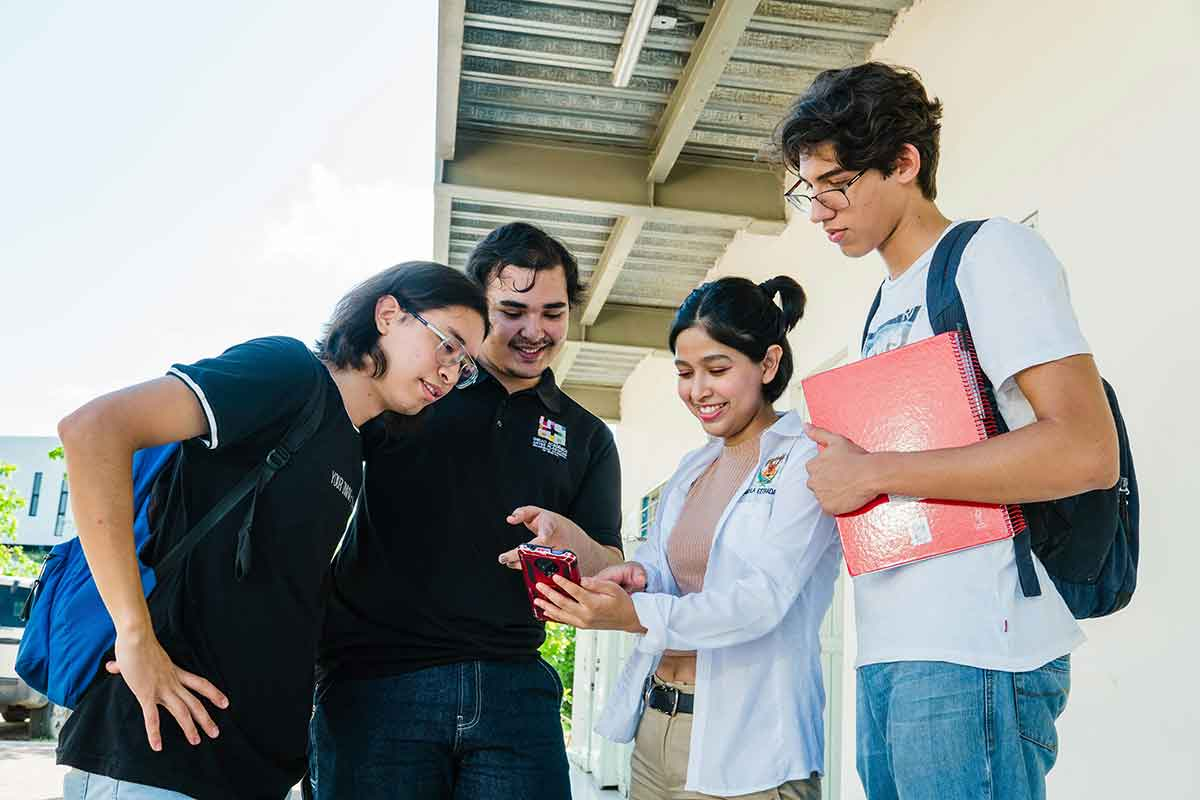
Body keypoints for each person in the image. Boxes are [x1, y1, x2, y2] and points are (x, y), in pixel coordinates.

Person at [774, 63, 1119, 800]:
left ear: (905, 163)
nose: (819, 211)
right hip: (892, 642)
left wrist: (874, 472)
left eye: (836, 183)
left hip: (978, 644)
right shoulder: (880, 304)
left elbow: (1086, 450)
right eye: (808, 189)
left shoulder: (991, 253)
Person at [54, 262, 488, 800]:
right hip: (159, 754)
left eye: (465, 365)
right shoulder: (289, 372)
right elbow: (94, 429)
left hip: (248, 767)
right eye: (448, 344)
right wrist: (135, 636)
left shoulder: (351, 450)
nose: (451, 371)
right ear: (388, 313)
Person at [312, 222, 624, 800]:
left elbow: (609, 565)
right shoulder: (411, 388)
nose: (535, 331)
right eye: (512, 310)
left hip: (515, 692)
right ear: (477, 308)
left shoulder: (587, 436)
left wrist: (572, 539)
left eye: (552, 312)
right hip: (377, 684)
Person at [535, 276, 840, 800]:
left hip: (751, 746)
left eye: (717, 370)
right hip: (658, 727)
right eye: (684, 372)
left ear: (767, 364)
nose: (697, 390)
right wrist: (635, 580)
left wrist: (634, 616)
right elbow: (659, 568)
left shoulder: (805, 459)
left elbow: (762, 601)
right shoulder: (692, 469)